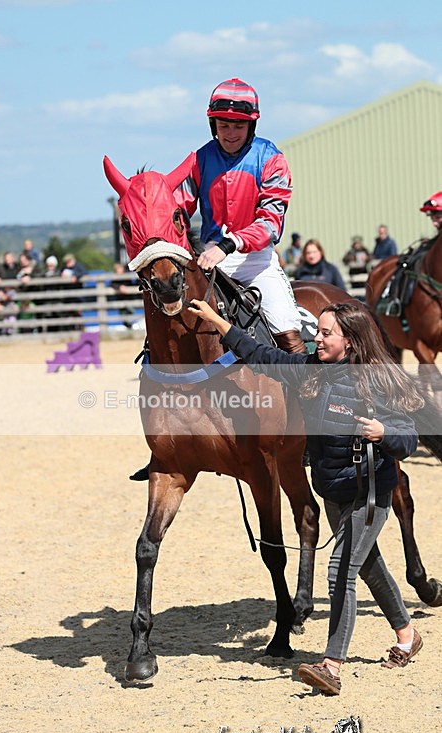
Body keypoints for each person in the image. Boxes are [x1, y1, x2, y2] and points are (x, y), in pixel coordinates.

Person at [187, 298, 423, 696]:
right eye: (318, 330)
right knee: (367, 566)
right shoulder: (310, 370)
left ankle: (331, 665)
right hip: (333, 492)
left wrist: (385, 433)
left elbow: (410, 439)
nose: (317, 338)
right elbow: (260, 355)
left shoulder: (377, 378)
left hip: (370, 493)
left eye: (327, 332)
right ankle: (407, 634)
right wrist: (216, 322)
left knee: (340, 571)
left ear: (350, 341)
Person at [174, 77, 305, 355]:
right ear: (213, 126)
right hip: (209, 259)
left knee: (286, 329)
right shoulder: (198, 160)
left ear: (251, 125)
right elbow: (178, 211)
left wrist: (228, 245)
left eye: (239, 126)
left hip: (256, 261)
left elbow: (270, 222)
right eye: (224, 126)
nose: (231, 133)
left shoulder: (271, 159)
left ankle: (308, 389)